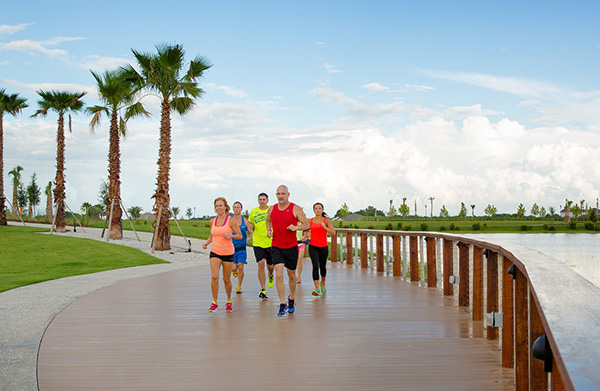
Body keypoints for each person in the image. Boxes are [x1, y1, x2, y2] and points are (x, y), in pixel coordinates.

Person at [266, 185, 309, 316]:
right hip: (277, 247)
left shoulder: (295, 208)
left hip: (291, 247)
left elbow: (306, 224)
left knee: (291, 275)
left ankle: (291, 298)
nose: (280, 196)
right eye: (278, 194)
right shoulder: (272, 209)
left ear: (288, 194)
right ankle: (282, 303)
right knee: (279, 274)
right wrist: (269, 229)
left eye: (283, 194)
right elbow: (268, 221)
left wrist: (296, 227)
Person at [202, 197, 242, 313]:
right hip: (215, 251)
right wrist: (206, 243)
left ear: (225, 207)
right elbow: (212, 235)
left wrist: (231, 236)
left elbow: (239, 235)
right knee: (214, 277)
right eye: (216, 206)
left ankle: (229, 300)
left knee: (226, 279)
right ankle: (214, 302)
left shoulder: (230, 220)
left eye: (220, 205)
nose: (218, 208)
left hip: (228, 252)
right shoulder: (212, 221)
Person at [248, 193, 273, 300]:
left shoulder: (271, 210)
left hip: (270, 242)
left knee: (270, 266)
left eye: (264, 199)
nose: (262, 201)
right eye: (260, 199)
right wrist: (250, 232)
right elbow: (250, 224)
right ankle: (263, 288)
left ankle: (271, 275)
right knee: (261, 264)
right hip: (258, 242)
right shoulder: (254, 211)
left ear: (267, 200)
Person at [308, 202, 336, 296]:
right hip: (313, 246)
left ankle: (323, 283)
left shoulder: (326, 220)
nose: (318, 210)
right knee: (315, 266)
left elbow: (333, 233)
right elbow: (306, 231)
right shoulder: (310, 221)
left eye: (320, 208)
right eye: (316, 208)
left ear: (322, 210)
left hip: (323, 246)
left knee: (322, 267)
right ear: (314, 210)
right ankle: (316, 288)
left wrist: (325, 227)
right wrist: (306, 236)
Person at [232, 201, 253, 294]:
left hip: (241, 247)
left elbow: (251, 232)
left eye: (238, 207)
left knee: (241, 266)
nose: (236, 209)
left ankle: (239, 286)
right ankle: (234, 269)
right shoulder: (230, 220)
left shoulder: (245, 221)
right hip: (231, 248)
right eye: (235, 207)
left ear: (241, 209)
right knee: (233, 268)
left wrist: (249, 237)